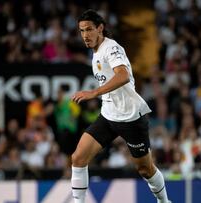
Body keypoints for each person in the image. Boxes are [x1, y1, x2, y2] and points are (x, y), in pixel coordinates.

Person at [70, 9, 171, 203]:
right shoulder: (96, 52)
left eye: (89, 29)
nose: (85, 35)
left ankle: (164, 201)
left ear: (100, 28)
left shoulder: (111, 47)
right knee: (78, 158)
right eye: (82, 31)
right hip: (109, 115)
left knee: (145, 169)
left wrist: (94, 92)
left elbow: (123, 75)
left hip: (130, 116)